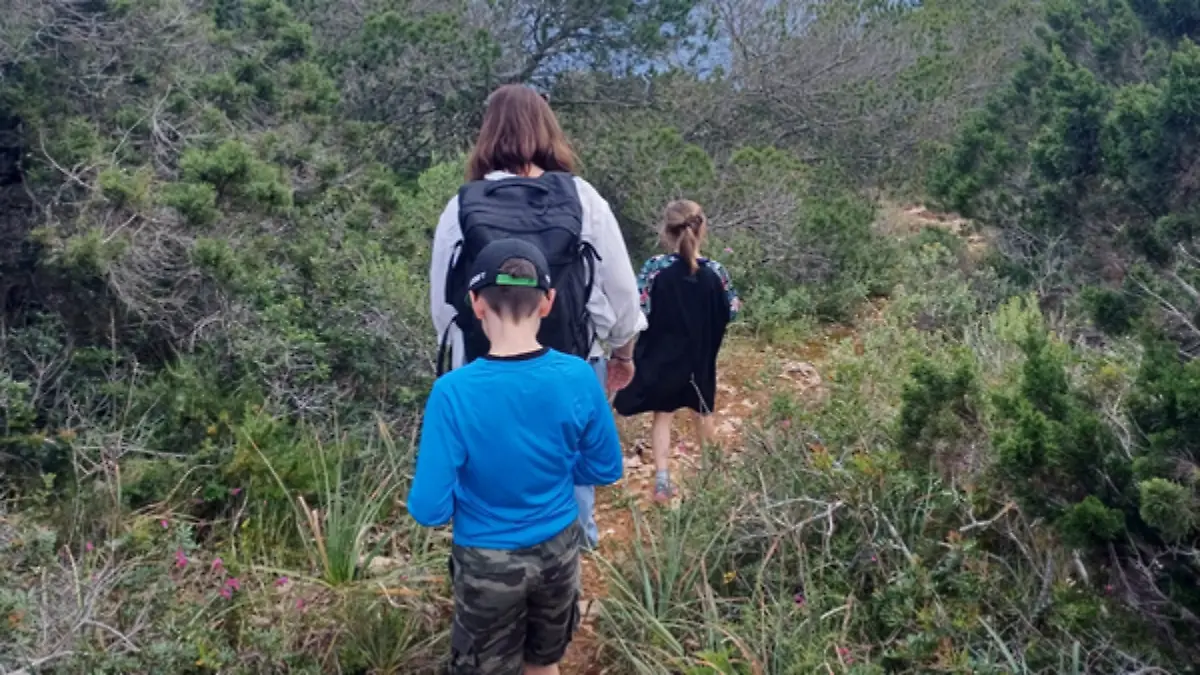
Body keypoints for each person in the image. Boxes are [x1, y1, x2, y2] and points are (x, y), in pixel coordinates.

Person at [430, 84, 645, 548]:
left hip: (484, 367)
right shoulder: (583, 198)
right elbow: (622, 292)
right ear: (549, 130)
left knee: (490, 474)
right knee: (569, 473)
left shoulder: (461, 205)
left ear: (486, 134)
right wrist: (622, 353)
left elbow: (444, 308)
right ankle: (567, 573)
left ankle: (495, 573)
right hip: (571, 359)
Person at [409, 239, 623, 675]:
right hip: (559, 550)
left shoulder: (453, 392)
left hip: (487, 560)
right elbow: (606, 466)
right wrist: (559, 474)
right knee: (544, 663)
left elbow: (429, 509)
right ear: (548, 302)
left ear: (475, 303)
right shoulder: (578, 376)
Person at [613, 200, 740, 503]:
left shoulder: (655, 268)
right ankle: (713, 480)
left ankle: (662, 480)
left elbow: (639, 308)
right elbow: (731, 309)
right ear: (702, 227)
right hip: (700, 358)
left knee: (663, 415)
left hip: (663, 357)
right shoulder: (717, 272)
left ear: (666, 231)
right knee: (703, 412)